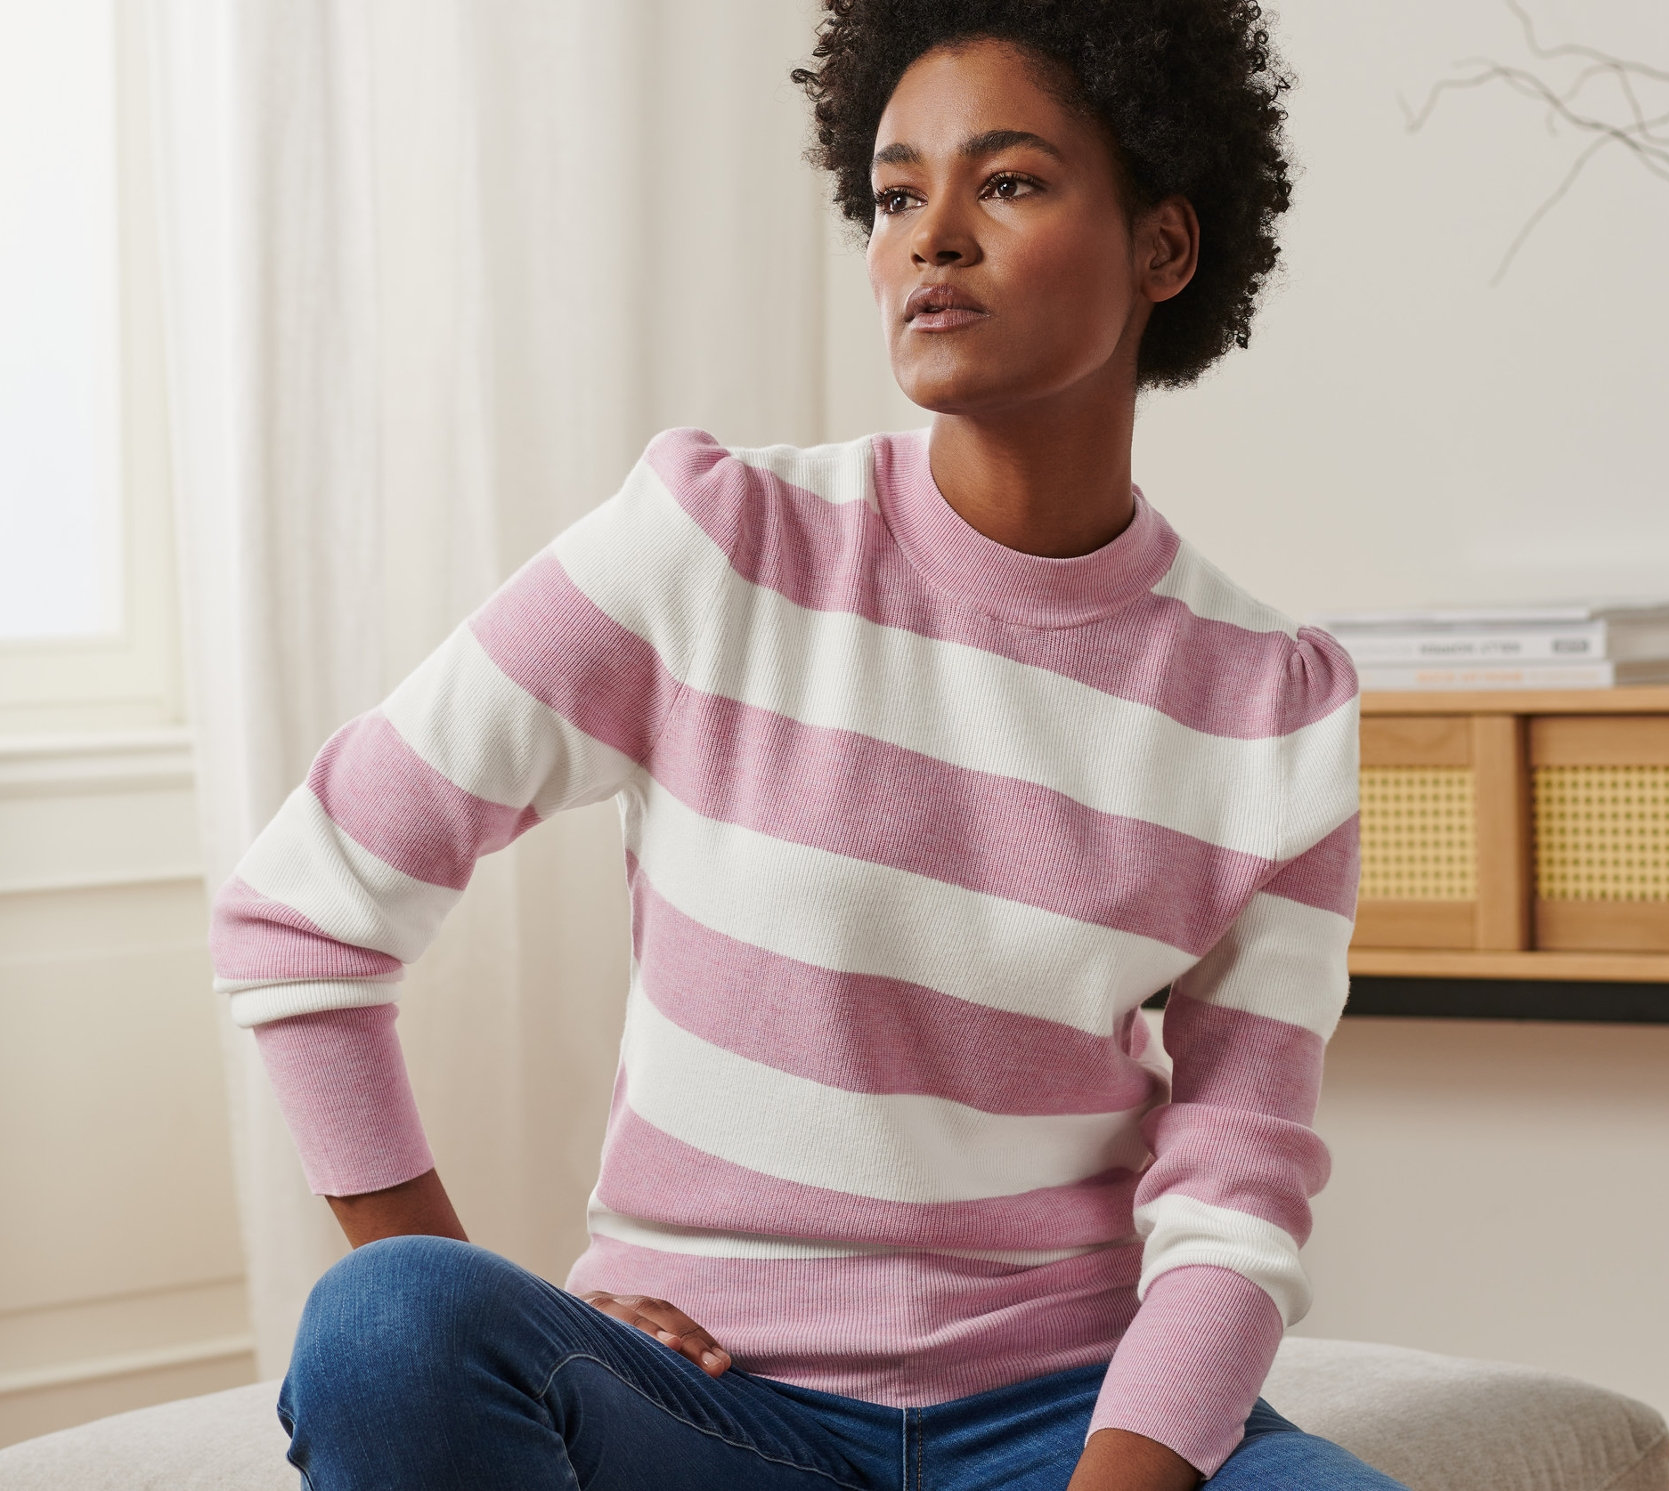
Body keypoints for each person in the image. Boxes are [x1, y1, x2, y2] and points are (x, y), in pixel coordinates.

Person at [213, 3, 1395, 1487]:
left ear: (1163, 248)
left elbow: (1235, 1189)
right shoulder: (717, 545)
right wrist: (457, 1278)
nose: (930, 238)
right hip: (716, 1405)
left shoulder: (1267, 702)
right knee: (390, 1326)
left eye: (1009, 182)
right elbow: (298, 911)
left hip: (1060, 1418)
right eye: (898, 194)